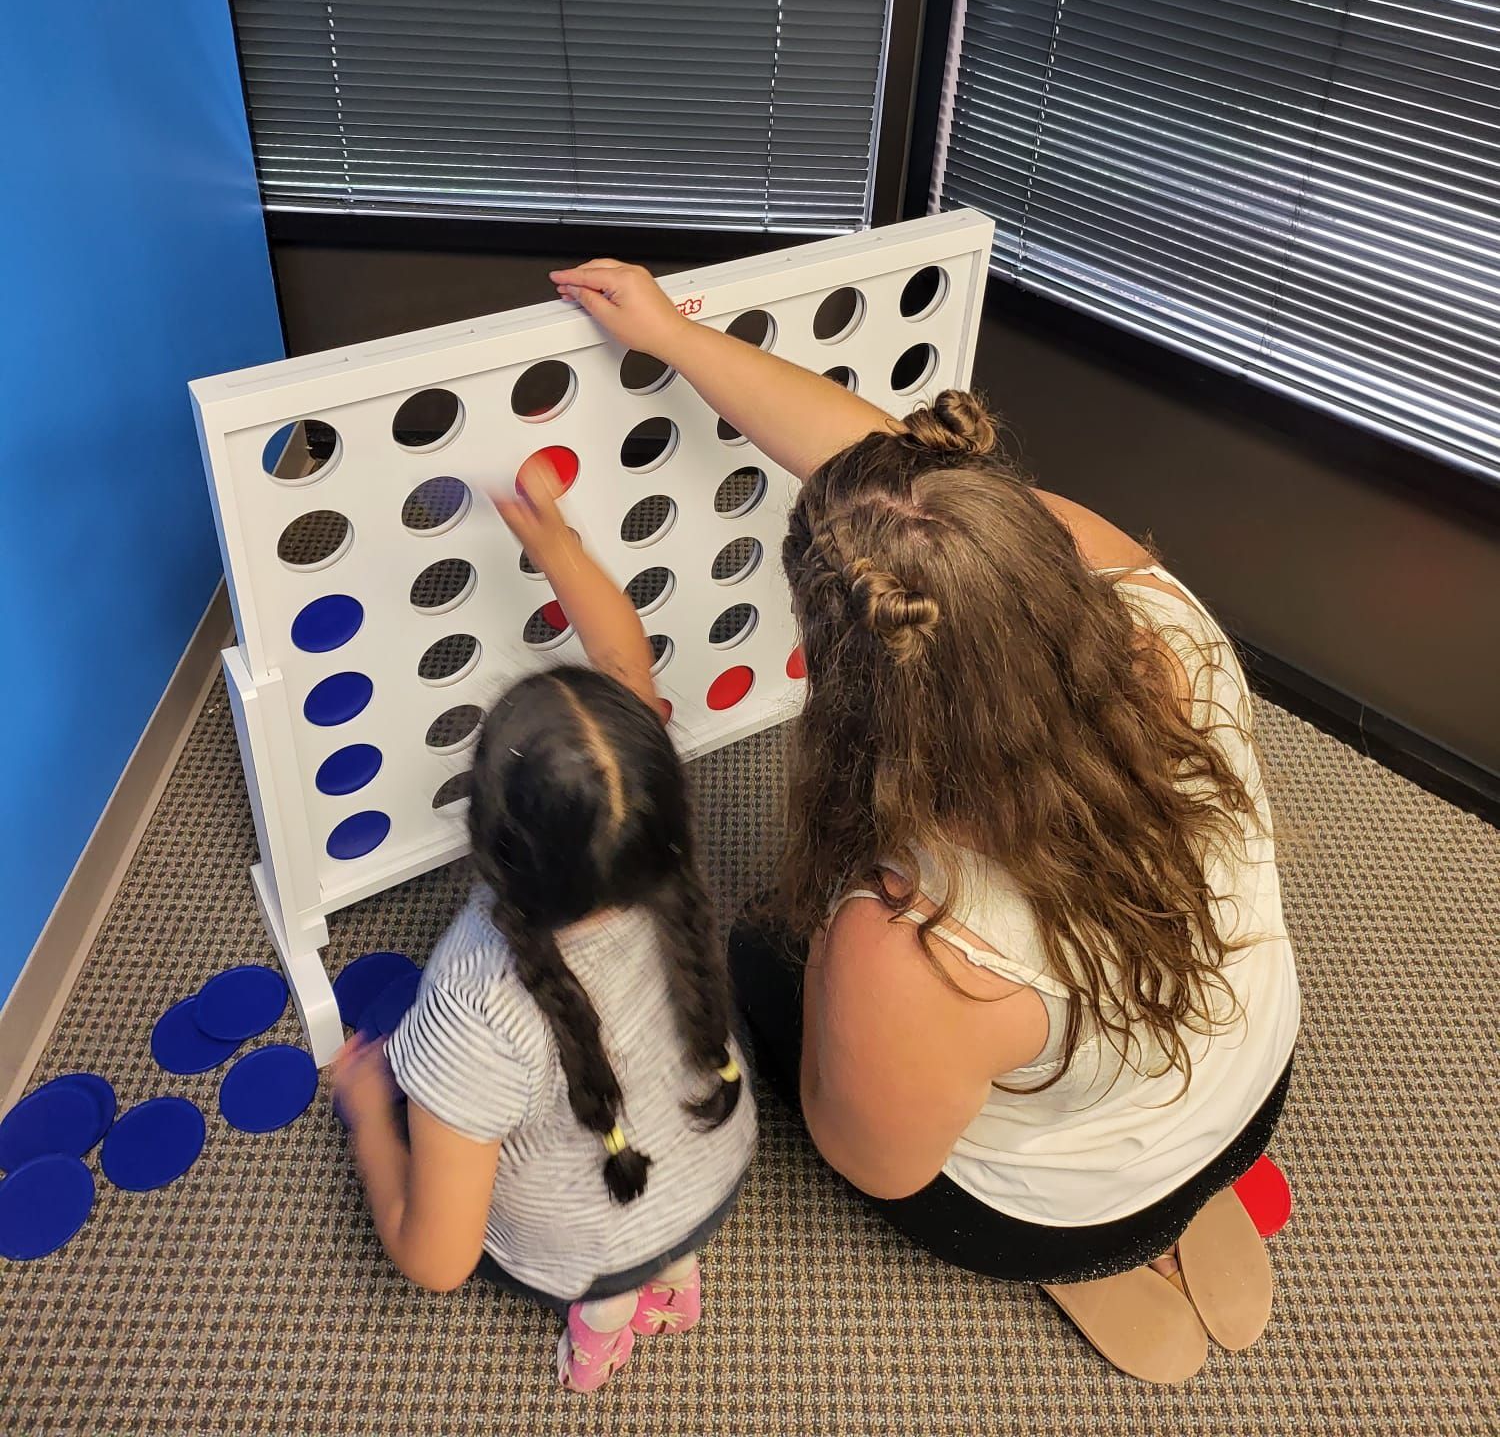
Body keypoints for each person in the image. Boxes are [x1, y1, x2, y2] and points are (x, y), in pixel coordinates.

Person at [547, 257, 1300, 1385]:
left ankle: (1100, 1235)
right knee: (1036, 1022)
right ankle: (1183, 1185)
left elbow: (880, 1161)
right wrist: (676, 337)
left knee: (762, 958)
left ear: (863, 699)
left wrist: (836, 1006)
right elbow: (901, 492)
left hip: (1060, 1201)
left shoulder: (916, 935)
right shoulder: (1142, 599)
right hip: (1256, 1080)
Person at [332, 459, 756, 1393]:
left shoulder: (472, 999)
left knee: (547, 1227)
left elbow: (437, 1262)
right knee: (638, 1194)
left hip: (586, 1241)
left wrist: (369, 1114)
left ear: (486, 835)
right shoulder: (660, 850)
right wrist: (559, 546)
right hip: (716, 1177)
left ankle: (604, 1315)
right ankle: (670, 1273)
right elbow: (625, 668)